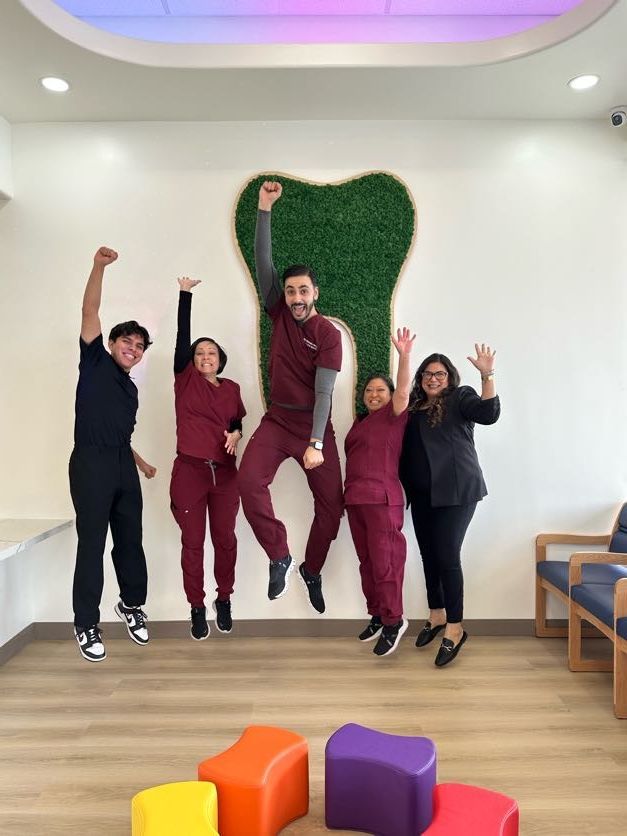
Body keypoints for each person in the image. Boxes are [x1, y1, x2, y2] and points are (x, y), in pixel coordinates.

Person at [238, 181, 344, 614]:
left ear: (315, 293)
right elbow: (263, 262)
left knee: (332, 507)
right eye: (291, 291)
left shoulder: (328, 334)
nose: (296, 297)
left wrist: (316, 443)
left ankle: (311, 569)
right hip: (277, 423)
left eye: (303, 291)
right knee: (248, 481)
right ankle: (279, 555)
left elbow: (324, 393)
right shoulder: (278, 312)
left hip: (313, 427)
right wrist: (264, 208)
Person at [70, 246, 156, 663]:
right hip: (90, 462)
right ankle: (86, 622)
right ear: (111, 342)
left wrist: (139, 461)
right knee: (91, 543)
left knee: (129, 541)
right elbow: (90, 309)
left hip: (123, 463)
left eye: (140, 346)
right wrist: (98, 267)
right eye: (128, 341)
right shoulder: (95, 362)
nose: (134, 348)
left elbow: (119, 433)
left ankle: (131, 605)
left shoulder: (131, 389)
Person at [399, 344, 500, 667]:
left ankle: (455, 628)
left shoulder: (460, 398)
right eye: (427, 374)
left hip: (457, 492)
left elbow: (488, 414)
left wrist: (487, 374)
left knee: (447, 556)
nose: (433, 379)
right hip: (422, 494)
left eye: (439, 374)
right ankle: (437, 614)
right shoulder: (414, 407)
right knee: (429, 555)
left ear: (449, 378)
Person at [170, 277, 246, 640]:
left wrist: (236, 433)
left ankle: (224, 598)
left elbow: (236, 423)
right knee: (193, 543)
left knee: (226, 539)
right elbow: (182, 338)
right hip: (189, 471)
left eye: (211, 353)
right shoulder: (184, 380)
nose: (204, 357)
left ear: (220, 360)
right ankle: (196, 607)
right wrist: (185, 295)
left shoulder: (232, 388)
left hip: (226, 475)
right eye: (199, 353)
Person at [344, 328, 415, 657]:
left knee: (386, 563)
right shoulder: (359, 423)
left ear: (389, 396)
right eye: (369, 391)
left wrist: (403, 357)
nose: (374, 395)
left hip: (382, 500)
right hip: (356, 501)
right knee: (368, 562)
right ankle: (377, 613)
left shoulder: (393, 417)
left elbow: (403, 390)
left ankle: (394, 620)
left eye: (380, 390)